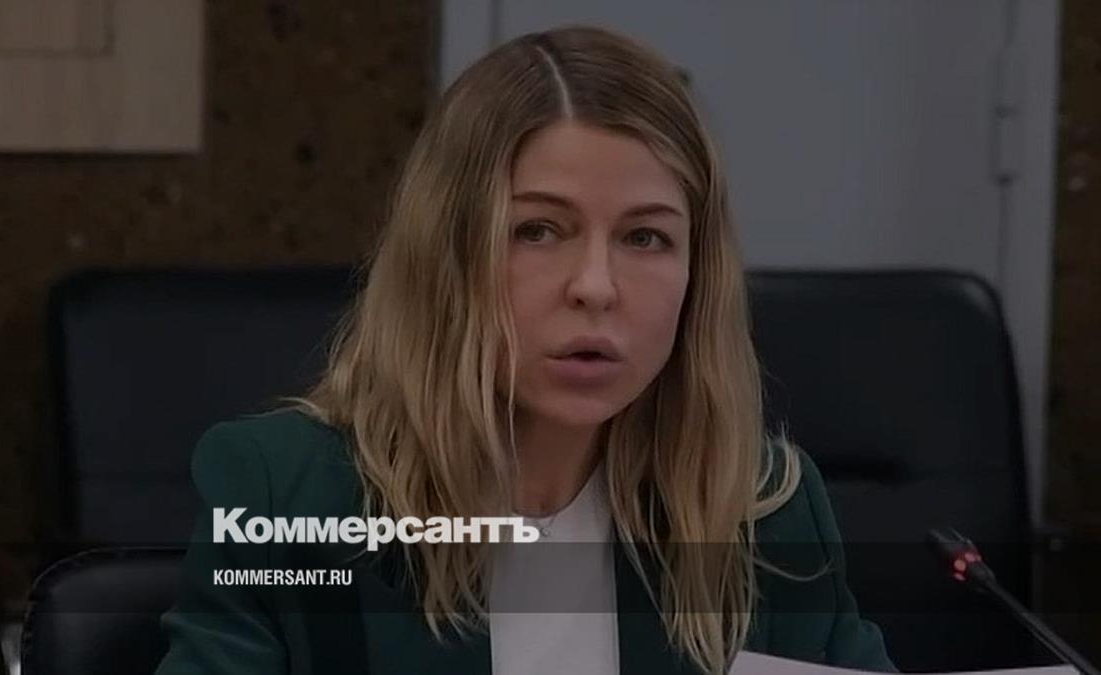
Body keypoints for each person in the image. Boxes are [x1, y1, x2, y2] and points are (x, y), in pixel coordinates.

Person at [154, 25, 895, 675]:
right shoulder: (286, 494)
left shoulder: (761, 508)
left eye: (645, 237)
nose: (596, 286)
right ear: (445, 257)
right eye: (537, 231)